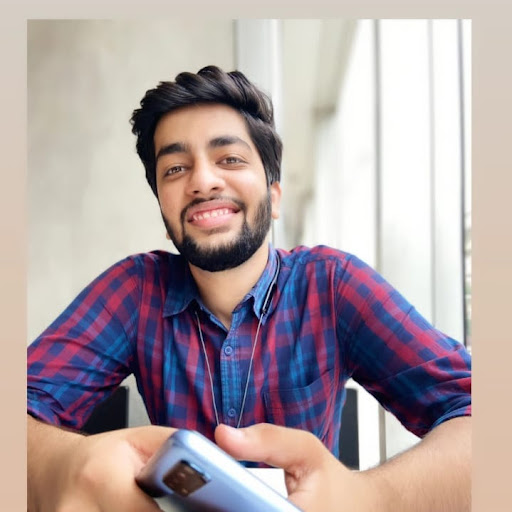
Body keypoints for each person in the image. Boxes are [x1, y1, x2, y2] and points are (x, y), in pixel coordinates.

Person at [27, 65, 471, 512]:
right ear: (164, 211)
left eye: (230, 159)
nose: (202, 181)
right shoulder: (136, 290)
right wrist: (63, 465)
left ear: (274, 196)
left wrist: (370, 497)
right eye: (176, 168)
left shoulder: (332, 285)